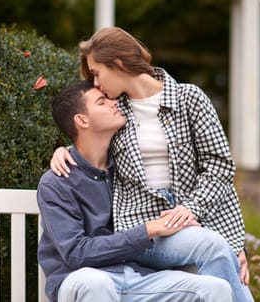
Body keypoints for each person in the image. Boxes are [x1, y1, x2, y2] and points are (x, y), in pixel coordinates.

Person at [51, 27, 254, 301]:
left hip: (192, 224)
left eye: (97, 73)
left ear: (119, 63)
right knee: (214, 247)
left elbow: (220, 167)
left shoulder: (189, 99)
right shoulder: (115, 112)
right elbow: (88, 138)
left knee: (218, 251)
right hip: (142, 230)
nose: (95, 84)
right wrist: (62, 150)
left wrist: (228, 238)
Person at [37, 80, 234, 302]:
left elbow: (211, 178)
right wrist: (148, 230)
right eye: (102, 102)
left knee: (215, 288)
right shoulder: (56, 183)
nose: (113, 103)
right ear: (82, 120)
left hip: (137, 277)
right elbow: (76, 254)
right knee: (96, 283)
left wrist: (234, 248)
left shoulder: (127, 167)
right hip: (81, 278)